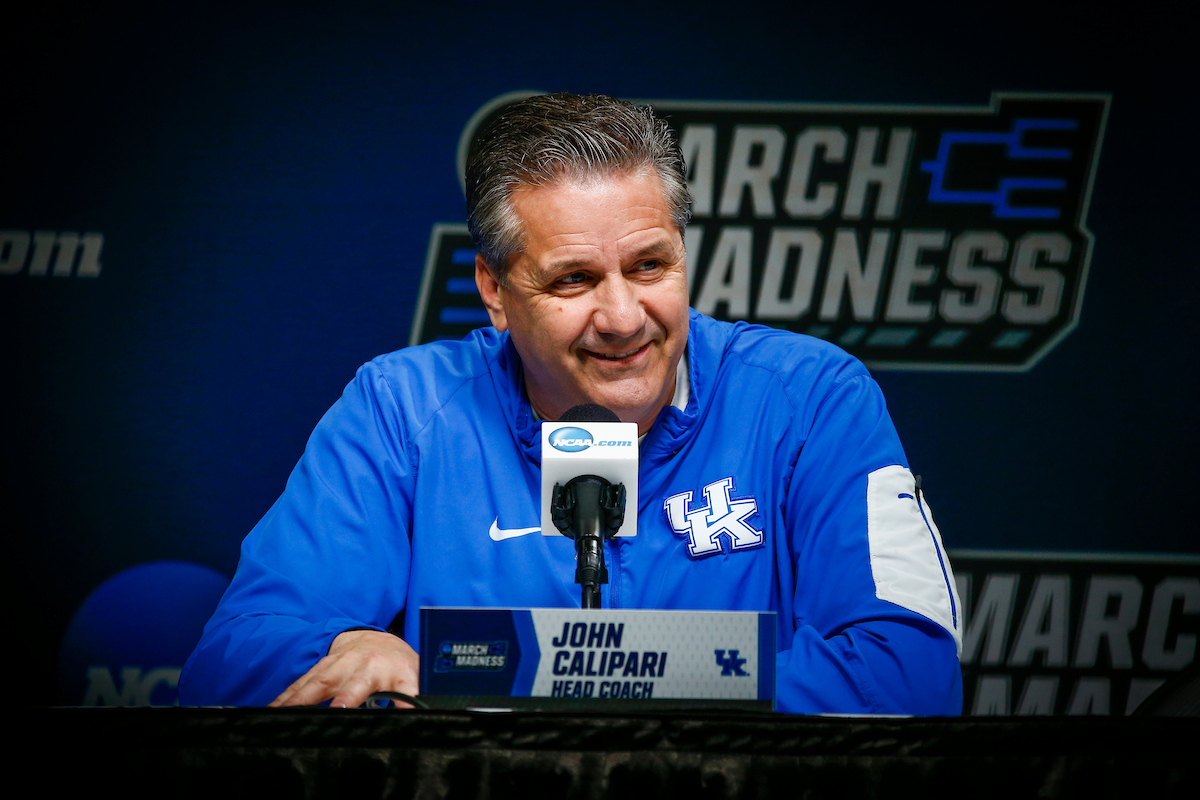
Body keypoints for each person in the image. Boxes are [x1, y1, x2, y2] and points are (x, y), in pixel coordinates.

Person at [180, 93, 963, 714]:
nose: (624, 318)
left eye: (651, 265)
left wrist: (561, 677)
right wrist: (347, 647)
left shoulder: (809, 398)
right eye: (573, 280)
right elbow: (231, 659)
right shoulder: (402, 409)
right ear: (493, 290)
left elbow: (910, 672)